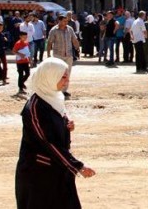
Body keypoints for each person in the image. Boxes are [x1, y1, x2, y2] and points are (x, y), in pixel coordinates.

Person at [15, 58, 96, 209]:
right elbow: (47, 142)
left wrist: (66, 125)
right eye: (63, 77)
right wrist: (77, 165)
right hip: (38, 176)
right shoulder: (34, 108)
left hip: (58, 170)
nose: (67, 81)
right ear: (50, 77)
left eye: (67, 76)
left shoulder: (54, 98)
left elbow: (56, 123)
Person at [47, 15, 80, 98]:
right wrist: (48, 54)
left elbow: (74, 39)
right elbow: (49, 43)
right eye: (64, 21)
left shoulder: (70, 29)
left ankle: (64, 91)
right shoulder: (54, 30)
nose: (66, 23)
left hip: (68, 55)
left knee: (67, 73)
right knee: (58, 73)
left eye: (67, 21)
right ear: (59, 21)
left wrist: (77, 48)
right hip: (58, 55)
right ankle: (57, 90)